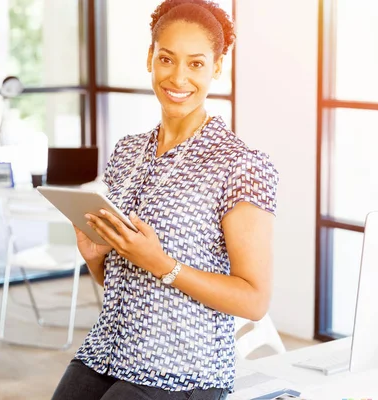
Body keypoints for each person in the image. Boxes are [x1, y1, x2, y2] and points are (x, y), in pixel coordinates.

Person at [52, 1, 279, 399]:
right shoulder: (127, 152)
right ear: (150, 59)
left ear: (217, 67)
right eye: (167, 59)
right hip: (106, 352)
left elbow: (254, 299)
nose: (178, 77)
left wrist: (163, 264)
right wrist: (96, 258)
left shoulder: (239, 164)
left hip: (183, 372)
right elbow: (130, 284)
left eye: (195, 63)